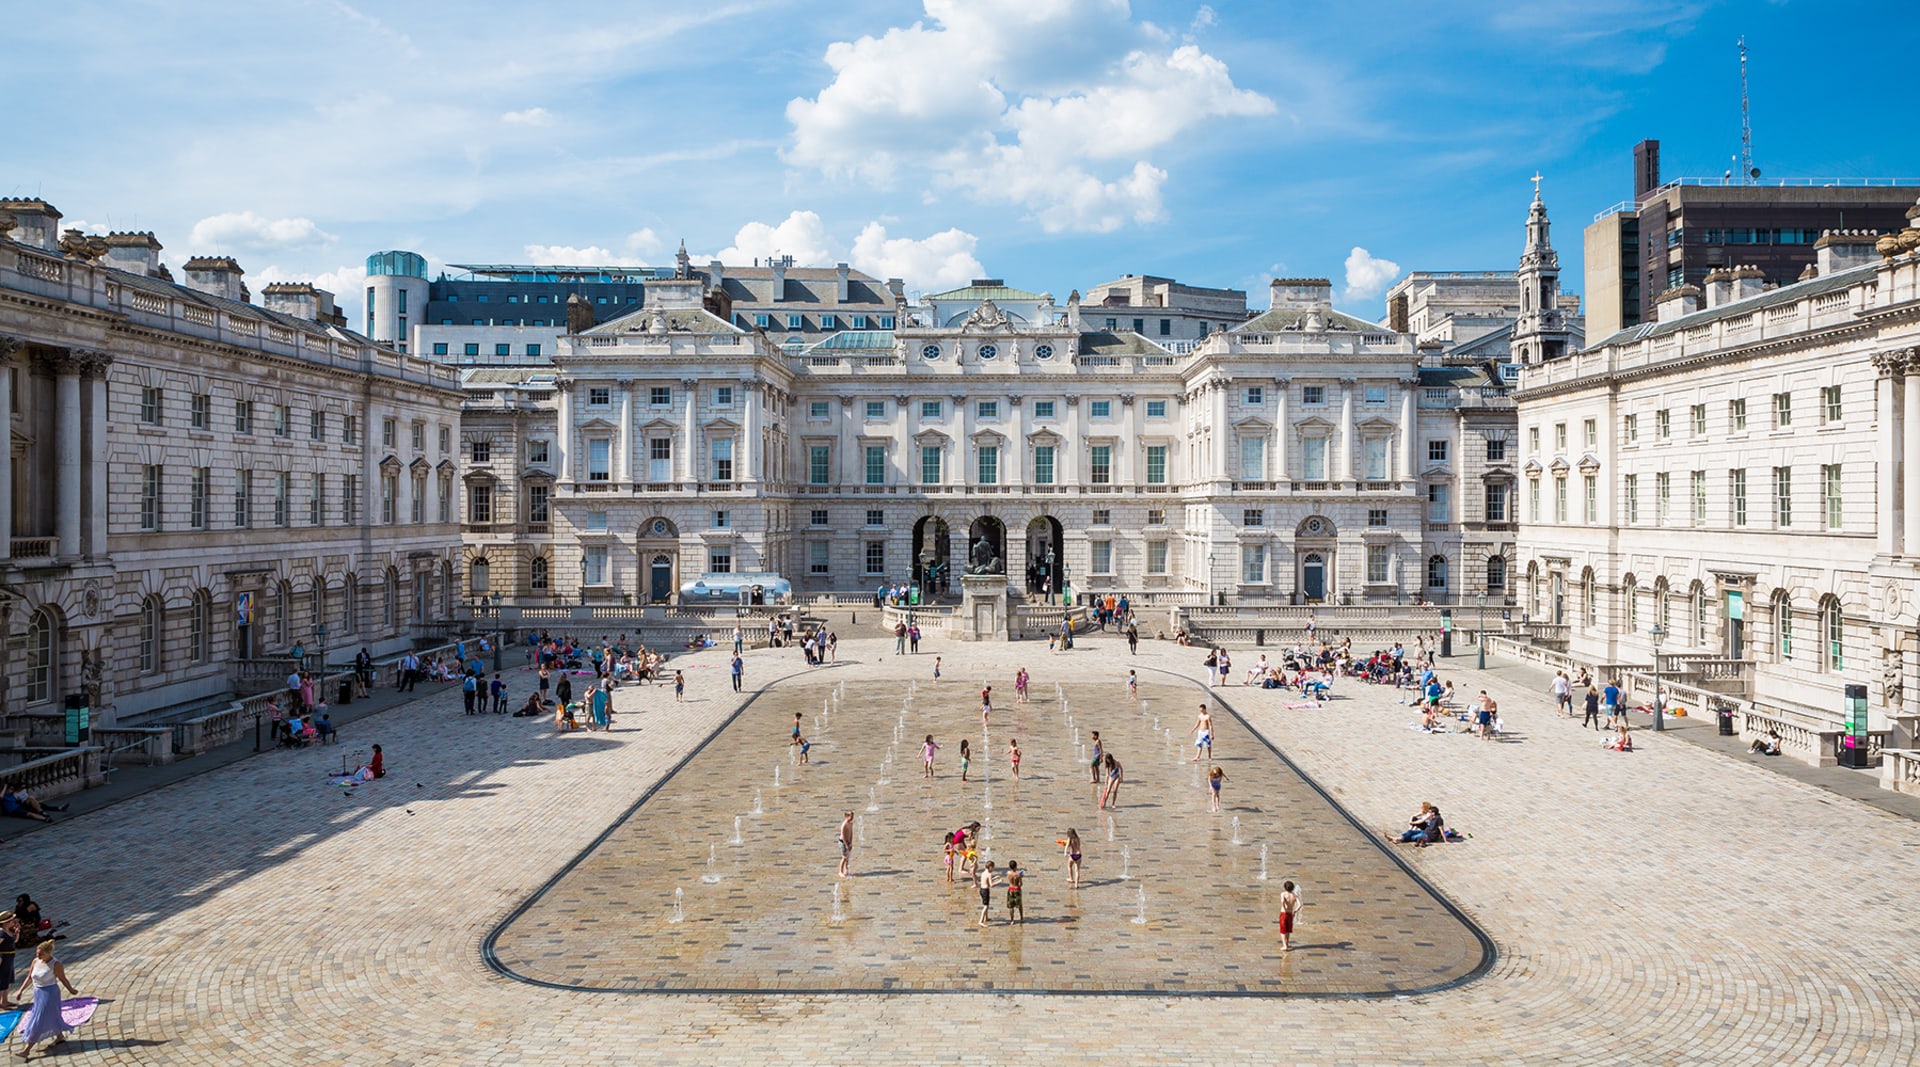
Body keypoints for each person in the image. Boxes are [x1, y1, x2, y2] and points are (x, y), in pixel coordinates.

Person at [13, 940, 81, 1056]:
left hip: (50, 994)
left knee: (39, 1020)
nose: (38, 956)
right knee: (52, 1015)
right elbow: (29, 977)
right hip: (38, 993)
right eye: (37, 953)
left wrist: (71, 989)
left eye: (41, 954)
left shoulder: (56, 964)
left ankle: (27, 1050)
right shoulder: (35, 961)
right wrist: (20, 990)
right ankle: (59, 1037)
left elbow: (63, 979)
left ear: (49, 953)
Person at [1277, 881, 1303, 952]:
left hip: (1283, 913)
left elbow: (1282, 901)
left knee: (1283, 930)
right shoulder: (1294, 895)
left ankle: (1284, 945)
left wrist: (1284, 908)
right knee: (1288, 930)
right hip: (1290, 914)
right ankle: (1287, 943)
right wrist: (1295, 911)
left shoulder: (1283, 894)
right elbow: (1300, 904)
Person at [976, 860, 998, 926]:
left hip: (981, 889)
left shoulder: (983, 873)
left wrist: (995, 878)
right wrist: (999, 881)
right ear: (990, 867)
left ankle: (986, 917)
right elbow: (991, 885)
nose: (993, 869)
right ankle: (980, 921)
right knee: (985, 906)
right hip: (985, 891)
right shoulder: (989, 874)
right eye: (993, 868)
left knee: (987, 904)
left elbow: (986, 881)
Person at [838, 810, 854, 878]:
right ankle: (840, 871)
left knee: (847, 857)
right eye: (851, 816)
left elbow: (851, 833)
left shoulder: (850, 824)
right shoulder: (844, 825)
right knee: (844, 857)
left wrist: (850, 843)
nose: (852, 817)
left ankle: (846, 868)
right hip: (842, 842)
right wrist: (846, 845)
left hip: (848, 842)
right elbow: (843, 836)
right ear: (847, 816)